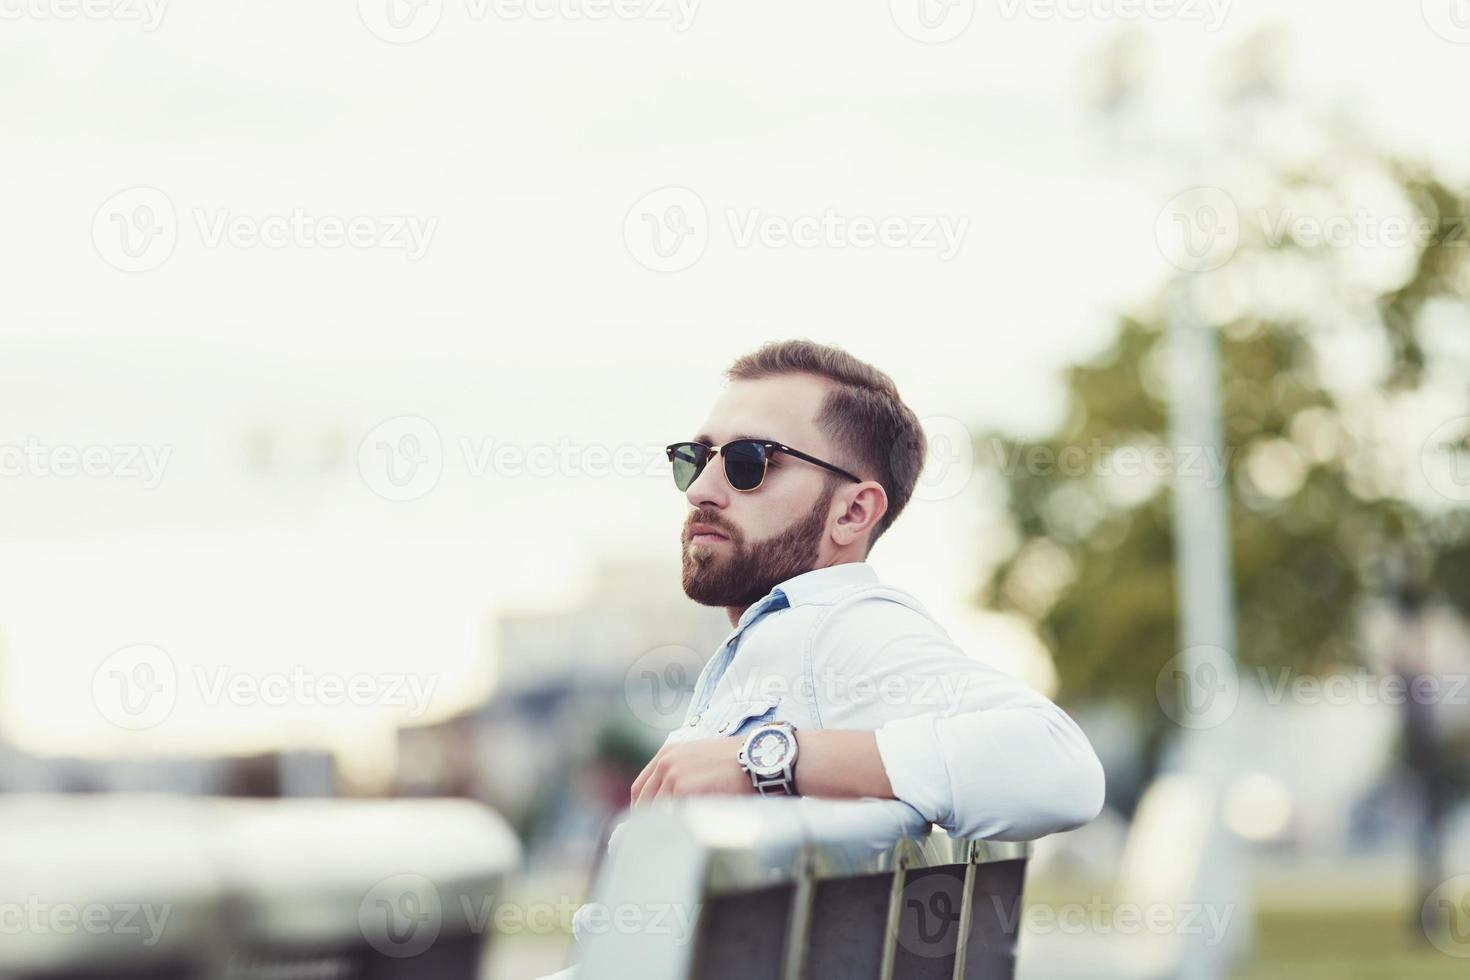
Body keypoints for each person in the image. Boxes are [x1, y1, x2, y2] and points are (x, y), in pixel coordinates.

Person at [542, 339, 1104, 977]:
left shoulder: (840, 629)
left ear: (853, 511)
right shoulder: (777, 644)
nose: (702, 487)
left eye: (750, 462)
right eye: (694, 458)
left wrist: (763, 756)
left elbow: (1058, 763)